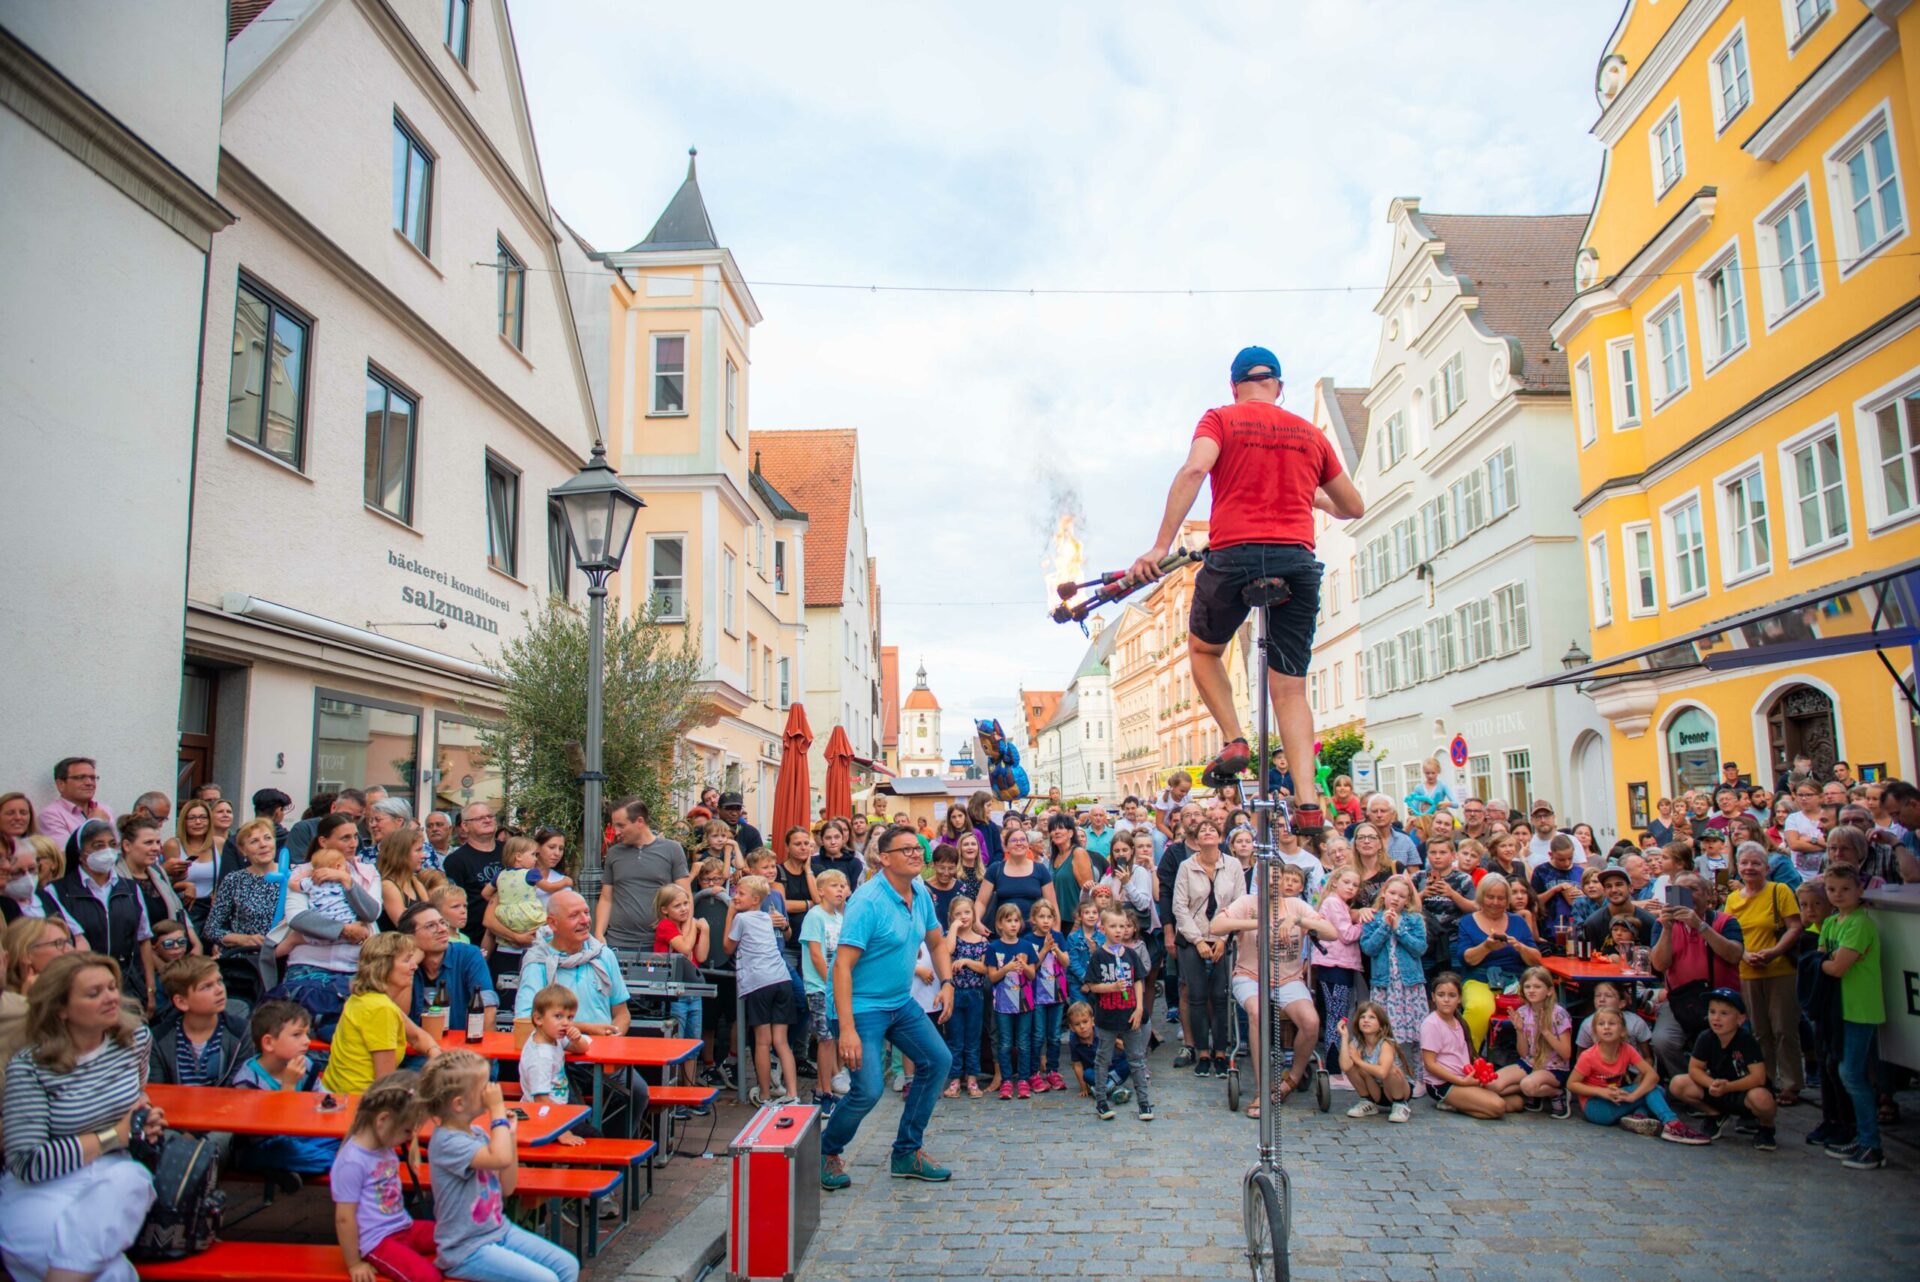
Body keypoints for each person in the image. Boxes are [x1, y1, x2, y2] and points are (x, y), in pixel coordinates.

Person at [1131, 346, 1365, 830]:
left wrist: (1159, 546)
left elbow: (1194, 470)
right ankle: (1307, 803)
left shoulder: (1220, 419)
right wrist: (1310, 495)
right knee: (1290, 688)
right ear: (1278, 385)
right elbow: (1353, 506)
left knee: (1203, 650)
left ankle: (1235, 738)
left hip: (1234, 556)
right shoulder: (1311, 434)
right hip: (1296, 561)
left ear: (1234, 386)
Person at [0, 951, 168, 1282]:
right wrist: (113, 1136)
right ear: (61, 1009)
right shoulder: (30, 1067)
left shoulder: (135, 1040)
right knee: (110, 1274)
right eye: (94, 993)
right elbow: (27, 1162)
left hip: (113, 1176)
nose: (111, 998)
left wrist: (144, 1119)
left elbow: (137, 1096)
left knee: (130, 1178)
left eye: (112, 987)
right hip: (42, 1186)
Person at [819, 825, 953, 1191]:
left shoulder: (920, 893)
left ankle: (907, 1153)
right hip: (859, 1007)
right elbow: (842, 966)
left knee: (937, 1060)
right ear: (884, 859)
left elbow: (937, 942)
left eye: (918, 848)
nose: (916, 854)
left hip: (899, 1001)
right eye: (906, 849)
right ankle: (825, 1151)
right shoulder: (868, 901)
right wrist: (847, 1029)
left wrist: (947, 983)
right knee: (868, 1090)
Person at [421, 1050, 580, 1282]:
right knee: (545, 1279)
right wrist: (497, 1112)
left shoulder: (477, 1133)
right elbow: (499, 1159)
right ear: (459, 1104)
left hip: (498, 1230)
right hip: (466, 1249)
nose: (491, 1091)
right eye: (484, 1087)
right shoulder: (448, 1142)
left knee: (567, 1266)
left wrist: (510, 1136)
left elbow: (507, 1186)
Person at [328, 1069, 436, 1282]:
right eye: (407, 1131)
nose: (410, 1136)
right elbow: (344, 1218)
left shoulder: (382, 1143)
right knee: (427, 1277)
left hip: (403, 1227)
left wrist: (413, 1145)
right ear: (383, 1120)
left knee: (454, 1235)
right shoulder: (353, 1161)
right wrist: (354, 1263)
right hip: (377, 1241)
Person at [1817, 863, 1886, 1169]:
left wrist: (1821, 962)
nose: (1838, 894)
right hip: (1838, 1009)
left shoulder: (1860, 924)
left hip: (1860, 1008)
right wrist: (1824, 961)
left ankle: (1872, 1144)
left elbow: (1835, 966)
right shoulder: (1832, 922)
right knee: (1842, 1071)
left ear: (1859, 890)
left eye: (1845, 889)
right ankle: (1862, 1136)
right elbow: (1824, 956)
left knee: (1852, 1074)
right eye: (1832, 889)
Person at [1723, 844, 1804, 1105]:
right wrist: (1744, 955)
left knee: (1784, 1029)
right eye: (1745, 863)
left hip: (1780, 969)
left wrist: (1774, 952)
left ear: (1766, 868)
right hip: (1748, 971)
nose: (1750, 868)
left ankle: (1791, 1083)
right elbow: (1730, 934)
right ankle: (1764, 1079)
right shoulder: (1732, 899)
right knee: (1759, 1031)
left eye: (1756, 863)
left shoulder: (1779, 891)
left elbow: (1795, 926)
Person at [1647, 873, 1744, 1078]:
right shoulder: (1662, 924)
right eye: (1680, 890)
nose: (1687, 895)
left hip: (1719, 998)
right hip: (1680, 1000)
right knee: (1663, 1041)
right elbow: (1659, 965)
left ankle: (1722, 1082)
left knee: (1727, 1041)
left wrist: (1700, 926)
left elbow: (1734, 955)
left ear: (1708, 895)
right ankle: (1690, 1082)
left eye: (1693, 889)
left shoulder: (1726, 921)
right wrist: (1667, 929)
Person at [47, 819, 152, 1003]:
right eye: (98, 846)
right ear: (80, 853)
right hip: (82, 986)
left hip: (129, 986)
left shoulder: (130, 888)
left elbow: (143, 939)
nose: (107, 851)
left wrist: (149, 988)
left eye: (112, 844)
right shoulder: (58, 891)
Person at [1569, 1008, 1707, 1142]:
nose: (1606, 1027)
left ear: (1623, 1031)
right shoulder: (1588, 1056)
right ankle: (1671, 1124)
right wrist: (1602, 1092)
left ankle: (1639, 1117)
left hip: (1617, 1097)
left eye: (1612, 1023)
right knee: (1654, 1091)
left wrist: (1633, 1096)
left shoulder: (1627, 1049)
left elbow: (1652, 1076)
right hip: (1595, 1105)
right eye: (1601, 1024)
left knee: (1656, 1089)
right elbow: (1572, 1084)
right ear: (1595, 1032)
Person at [1172, 818, 1242, 1078]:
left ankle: (1221, 1052)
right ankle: (1202, 1052)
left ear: (1220, 836)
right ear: (1196, 839)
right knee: (1197, 995)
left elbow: (1239, 902)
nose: (1209, 832)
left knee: (1221, 995)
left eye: (1213, 829)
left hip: (1224, 937)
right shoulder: (1186, 867)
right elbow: (1180, 906)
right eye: (1203, 830)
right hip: (1193, 937)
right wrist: (1198, 940)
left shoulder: (1232, 865)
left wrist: (1222, 939)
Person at [1667, 989, 1778, 1151]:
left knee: (1762, 1098)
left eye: (1724, 1013)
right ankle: (1715, 1115)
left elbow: (1758, 1077)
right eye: (1712, 1012)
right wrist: (1711, 1083)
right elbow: (1695, 1068)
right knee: (1678, 1084)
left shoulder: (1746, 1040)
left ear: (1740, 1019)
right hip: (1717, 1089)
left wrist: (1728, 1087)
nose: (1716, 1018)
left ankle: (1766, 1127)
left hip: (1743, 1092)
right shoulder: (1706, 1037)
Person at [727, 875, 799, 1107]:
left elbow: (727, 946)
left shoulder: (741, 919)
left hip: (758, 981)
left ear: (755, 899)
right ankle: (793, 1093)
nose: (735, 897)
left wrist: (730, 913)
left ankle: (765, 1094)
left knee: (762, 1042)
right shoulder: (768, 919)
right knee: (781, 1041)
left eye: (740, 894)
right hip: (782, 978)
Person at [1081, 904, 1155, 1124]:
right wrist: (1111, 987)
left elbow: (1138, 980)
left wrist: (1139, 1008)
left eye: (1122, 926)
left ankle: (1144, 1101)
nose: (1119, 930)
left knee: (1136, 1059)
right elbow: (1092, 985)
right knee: (1102, 1059)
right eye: (1113, 926)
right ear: (1102, 928)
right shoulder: (1098, 956)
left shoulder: (1130, 954)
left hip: (1130, 1016)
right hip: (1107, 1018)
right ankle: (1101, 1100)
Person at [1452, 874, 1542, 1051]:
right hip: (1479, 979)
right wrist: (1486, 947)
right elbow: (1466, 958)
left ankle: (1536, 1056)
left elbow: (1536, 959)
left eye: (1501, 898)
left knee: (1540, 1005)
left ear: (1507, 900)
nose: (1495, 902)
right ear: (1481, 897)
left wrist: (1520, 947)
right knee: (1479, 1008)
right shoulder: (1468, 921)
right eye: (1490, 897)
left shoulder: (1518, 922)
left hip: (1515, 981)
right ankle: (1466, 1055)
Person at [1420, 973, 1523, 1118]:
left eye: (1452, 995)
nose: (1446, 1000)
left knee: (1517, 1102)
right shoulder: (1431, 1024)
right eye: (1441, 995)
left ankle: (1472, 1102)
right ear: (1433, 997)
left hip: (1464, 1078)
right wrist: (1461, 1082)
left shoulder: (1459, 1021)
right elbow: (1430, 1064)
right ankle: (1454, 1105)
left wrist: (1474, 1075)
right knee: (1498, 1107)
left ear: (1459, 999)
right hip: (1444, 1084)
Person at [595, 798, 689, 954]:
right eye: (614, 826)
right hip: (617, 942)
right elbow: (606, 898)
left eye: (621, 825)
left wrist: (683, 938)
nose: (616, 832)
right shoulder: (614, 853)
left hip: (659, 943)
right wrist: (599, 934)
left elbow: (686, 897)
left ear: (639, 821)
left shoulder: (672, 849)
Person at [1360, 874, 1428, 1089]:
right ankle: (1393, 1077)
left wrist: (1399, 928)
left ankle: (1420, 1078)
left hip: (1410, 985)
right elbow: (1368, 948)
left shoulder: (1414, 919)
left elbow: (1420, 948)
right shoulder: (1373, 919)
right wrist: (1385, 926)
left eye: (1401, 896)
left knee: (1417, 1033)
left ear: (1407, 900)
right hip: (1385, 986)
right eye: (1392, 893)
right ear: (1384, 894)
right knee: (1387, 1033)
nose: (1396, 898)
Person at [653, 884, 711, 1114]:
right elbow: (685, 949)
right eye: (677, 905)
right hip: (674, 993)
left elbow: (701, 956)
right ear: (665, 909)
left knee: (692, 1043)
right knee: (676, 1045)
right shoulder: (666, 926)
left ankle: (689, 1093)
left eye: (686, 903)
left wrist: (705, 931)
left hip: (692, 990)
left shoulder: (687, 926)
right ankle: (675, 1097)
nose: (684, 909)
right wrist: (692, 926)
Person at [398, 901, 494, 1036]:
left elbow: (488, 1009)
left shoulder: (469, 955)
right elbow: (397, 1016)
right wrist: (411, 965)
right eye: (431, 926)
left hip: (461, 1046)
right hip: (415, 1047)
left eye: (443, 922)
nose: (442, 929)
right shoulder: (400, 963)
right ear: (410, 938)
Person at [149, 955, 247, 1087]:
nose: (220, 990)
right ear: (181, 1002)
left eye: (219, 981)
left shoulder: (241, 1032)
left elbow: (240, 1088)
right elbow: (157, 1090)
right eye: (206, 987)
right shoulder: (158, 1039)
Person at [519, 983, 595, 1146]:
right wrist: (562, 1132)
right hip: (542, 1119)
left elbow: (582, 1049)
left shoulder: (552, 1037)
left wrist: (577, 1039)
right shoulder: (540, 1057)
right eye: (558, 1016)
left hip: (557, 1113)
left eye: (570, 1017)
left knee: (588, 1129)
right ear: (538, 1019)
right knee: (594, 1138)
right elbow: (541, 1099)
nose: (566, 1023)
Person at [1509, 965, 1573, 1118]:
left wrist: (1546, 1032)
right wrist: (1519, 1031)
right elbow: (1524, 1053)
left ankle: (1557, 1093)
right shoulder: (1523, 1012)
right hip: (1531, 1062)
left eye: (1537, 987)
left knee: (1527, 1085)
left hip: (1554, 1067)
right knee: (1494, 1085)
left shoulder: (1559, 1014)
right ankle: (1535, 1094)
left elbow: (1566, 1053)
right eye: (1527, 987)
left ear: (1549, 991)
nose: (1531, 990)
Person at [440, 801, 501, 949]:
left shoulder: (509, 851)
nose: (487, 820)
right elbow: (454, 901)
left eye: (490, 816)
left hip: (511, 936)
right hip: (474, 938)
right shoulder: (456, 860)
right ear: (465, 826)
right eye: (480, 818)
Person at [1338, 1001, 1411, 1122]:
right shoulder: (1356, 1043)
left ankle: (1400, 1105)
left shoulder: (1386, 1044)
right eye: (1362, 1017)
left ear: (1381, 1025)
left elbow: (1382, 1072)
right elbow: (1345, 1067)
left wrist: (1358, 1061)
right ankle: (1367, 1101)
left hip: (1397, 1089)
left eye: (1372, 1017)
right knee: (1352, 1067)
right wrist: (1344, 1037)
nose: (1366, 1020)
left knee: (1391, 1070)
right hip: (1375, 1090)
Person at [975, 824, 1056, 929]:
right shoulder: (995, 869)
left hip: (1034, 932)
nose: (1019, 843)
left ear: (1028, 845)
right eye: (1013, 840)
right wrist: (977, 921)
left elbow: (1052, 904)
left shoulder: (1040, 869)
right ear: (1006, 847)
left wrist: (1056, 932)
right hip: (1003, 932)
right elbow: (981, 902)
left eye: (1022, 840)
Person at [38, 758, 114, 852]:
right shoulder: (51, 816)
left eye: (92, 778)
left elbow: (117, 850)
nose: (89, 783)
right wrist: (93, 825)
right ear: (61, 784)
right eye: (81, 777)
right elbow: (67, 855)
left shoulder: (104, 810)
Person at [1578, 866, 1656, 952]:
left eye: (1619, 884)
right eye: (1608, 886)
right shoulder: (1593, 923)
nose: (1614, 890)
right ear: (1604, 891)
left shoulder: (1649, 921)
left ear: (1630, 888)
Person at [718, 792, 764, 858]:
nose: (734, 813)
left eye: (738, 808)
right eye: (729, 808)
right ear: (718, 809)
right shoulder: (707, 831)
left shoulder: (751, 833)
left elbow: (758, 860)